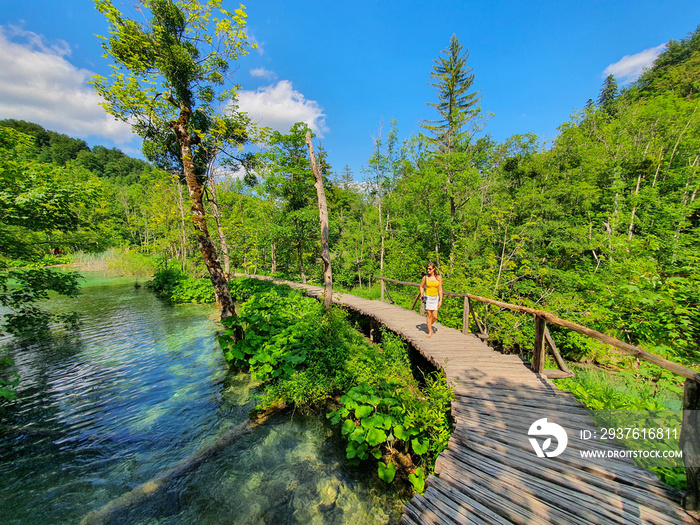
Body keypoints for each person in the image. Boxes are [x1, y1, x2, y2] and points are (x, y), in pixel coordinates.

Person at [419, 262, 443, 338]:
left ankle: (429, 324)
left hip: (435, 298)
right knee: (429, 314)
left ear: (433, 269)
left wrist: (440, 300)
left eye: (430, 269)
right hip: (428, 297)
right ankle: (430, 331)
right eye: (427, 269)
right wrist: (422, 294)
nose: (428, 270)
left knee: (435, 316)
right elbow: (421, 286)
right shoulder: (425, 278)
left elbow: (440, 289)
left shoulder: (438, 278)